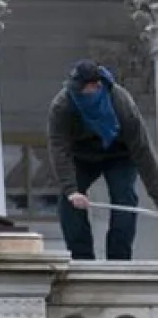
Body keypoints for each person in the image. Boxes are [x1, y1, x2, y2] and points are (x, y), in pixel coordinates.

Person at [48, 59, 158, 261]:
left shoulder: (121, 103)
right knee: (67, 201)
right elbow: (58, 148)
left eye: (83, 90)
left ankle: (119, 257)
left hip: (120, 154)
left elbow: (143, 151)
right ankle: (81, 257)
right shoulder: (62, 105)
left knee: (124, 196)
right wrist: (72, 190)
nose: (78, 93)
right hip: (82, 156)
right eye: (75, 88)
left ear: (97, 86)